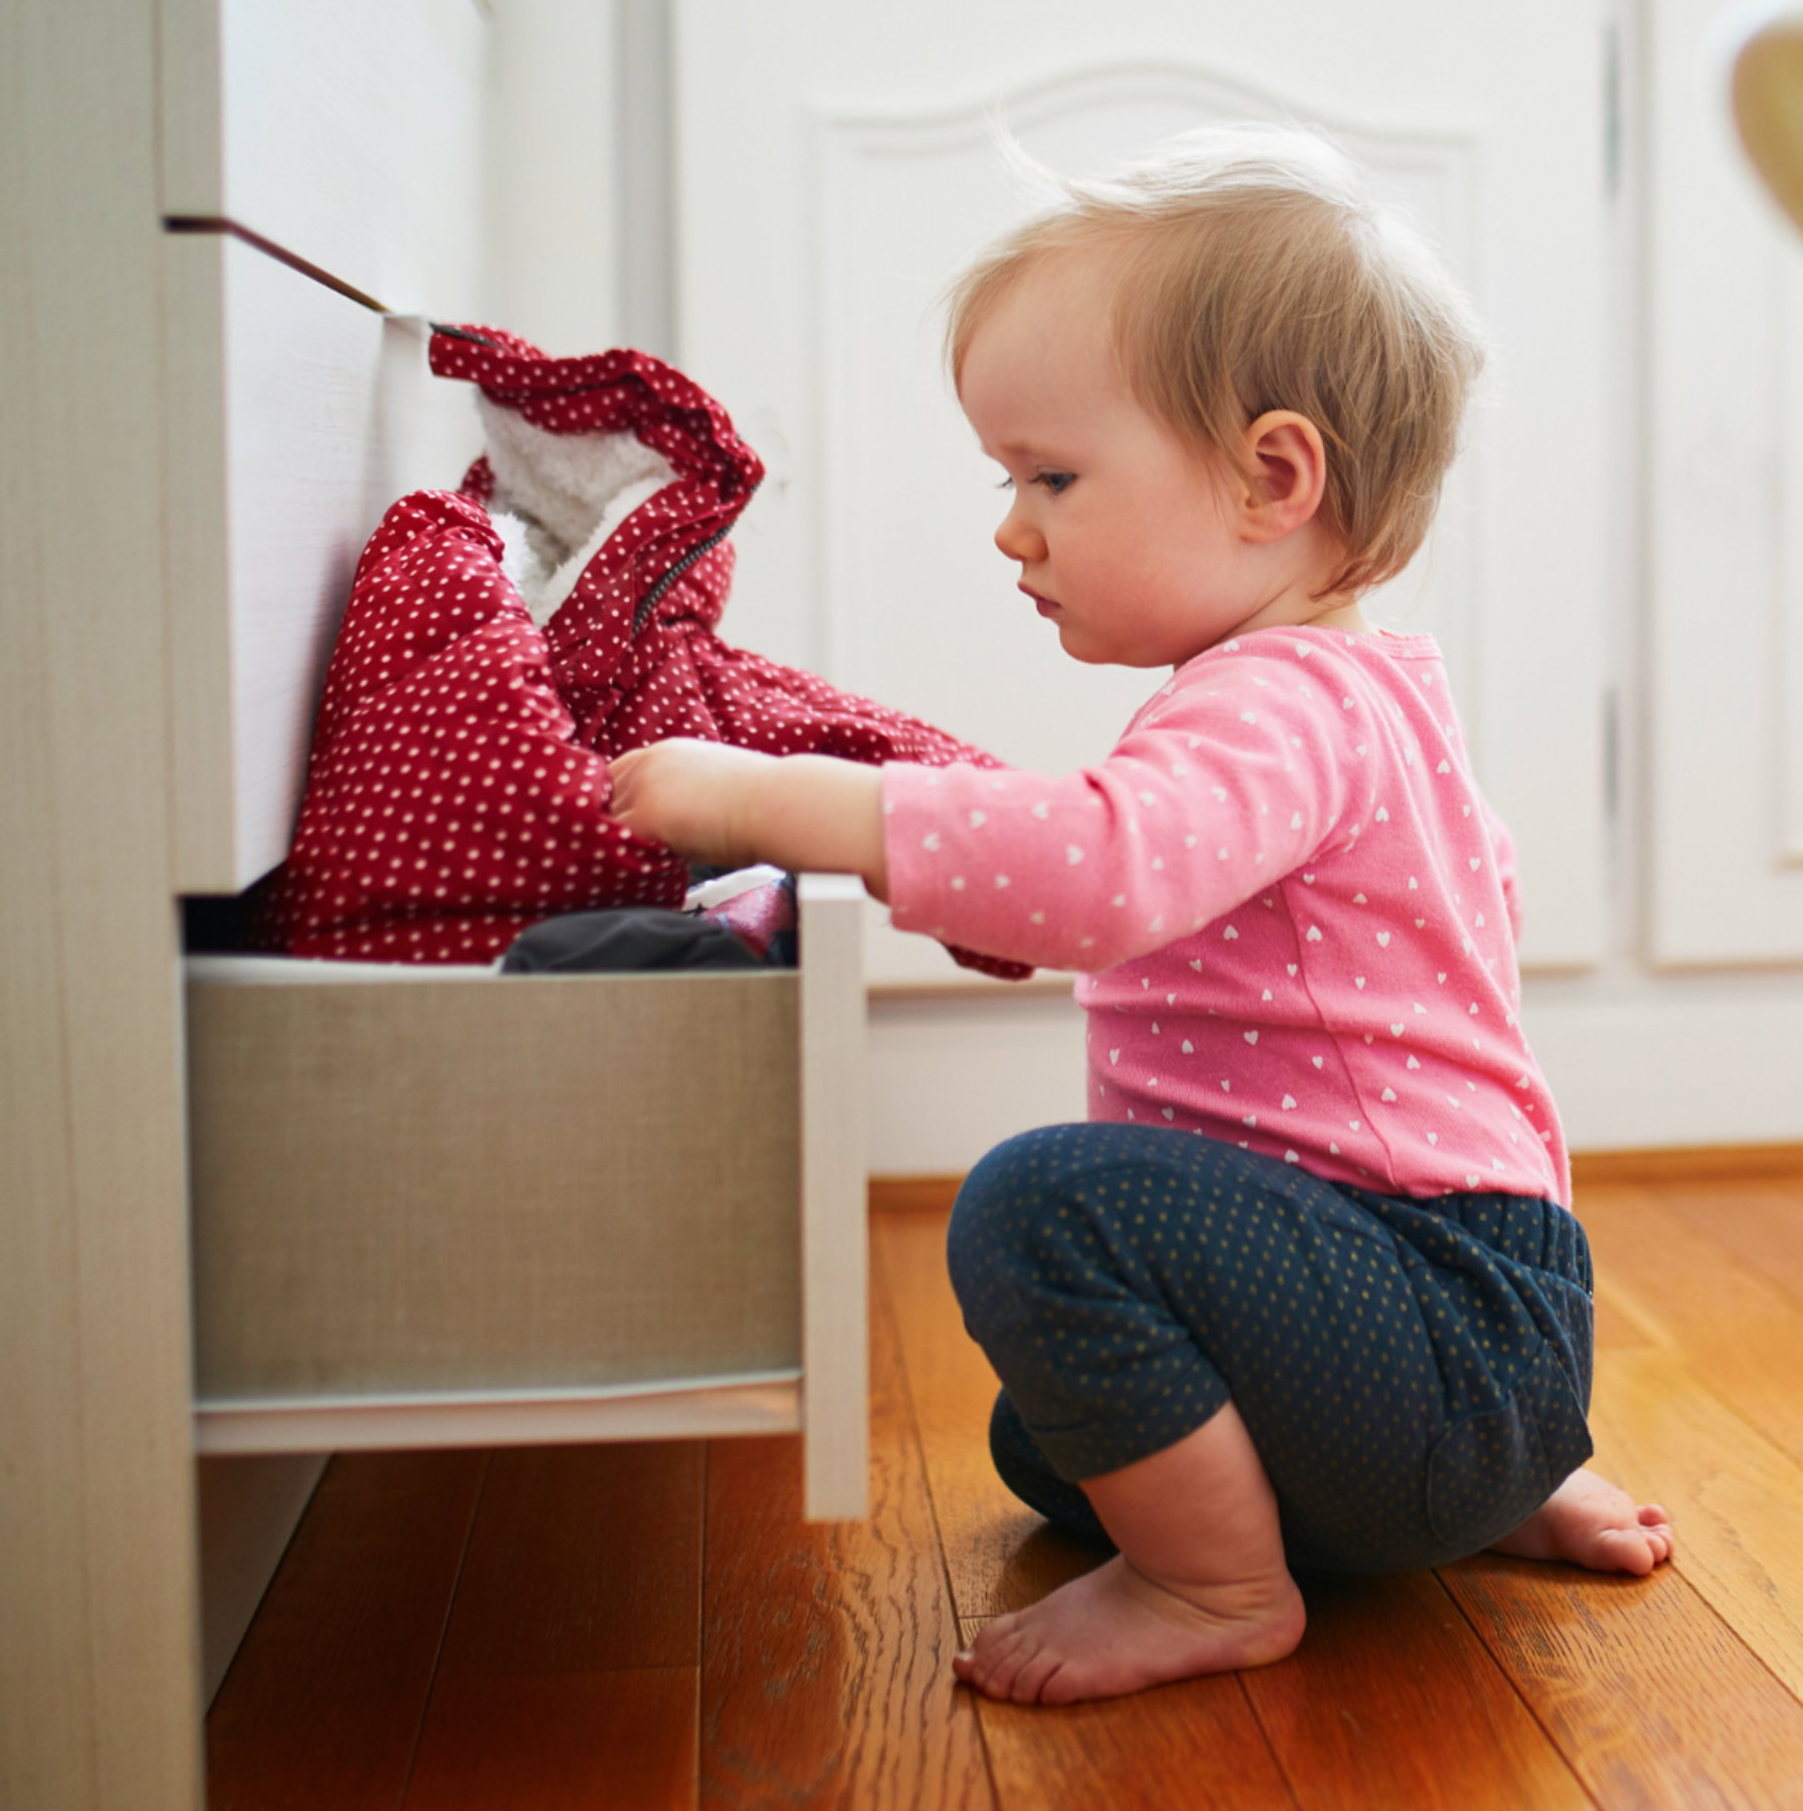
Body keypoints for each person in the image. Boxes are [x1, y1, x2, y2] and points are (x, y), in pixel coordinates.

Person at [607, 125, 1672, 1706]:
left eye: (1053, 475)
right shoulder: (1372, 700)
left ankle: (1219, 1585)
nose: (1010, 527)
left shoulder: (1278, 701)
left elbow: (1098, 875)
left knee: (1038, 1211)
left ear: (1271, 477)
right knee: (1046, 1440)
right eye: (1005, 478)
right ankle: (1482, 1483)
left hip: (1442, 1312)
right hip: (1469, 1328)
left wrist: (764, 797)